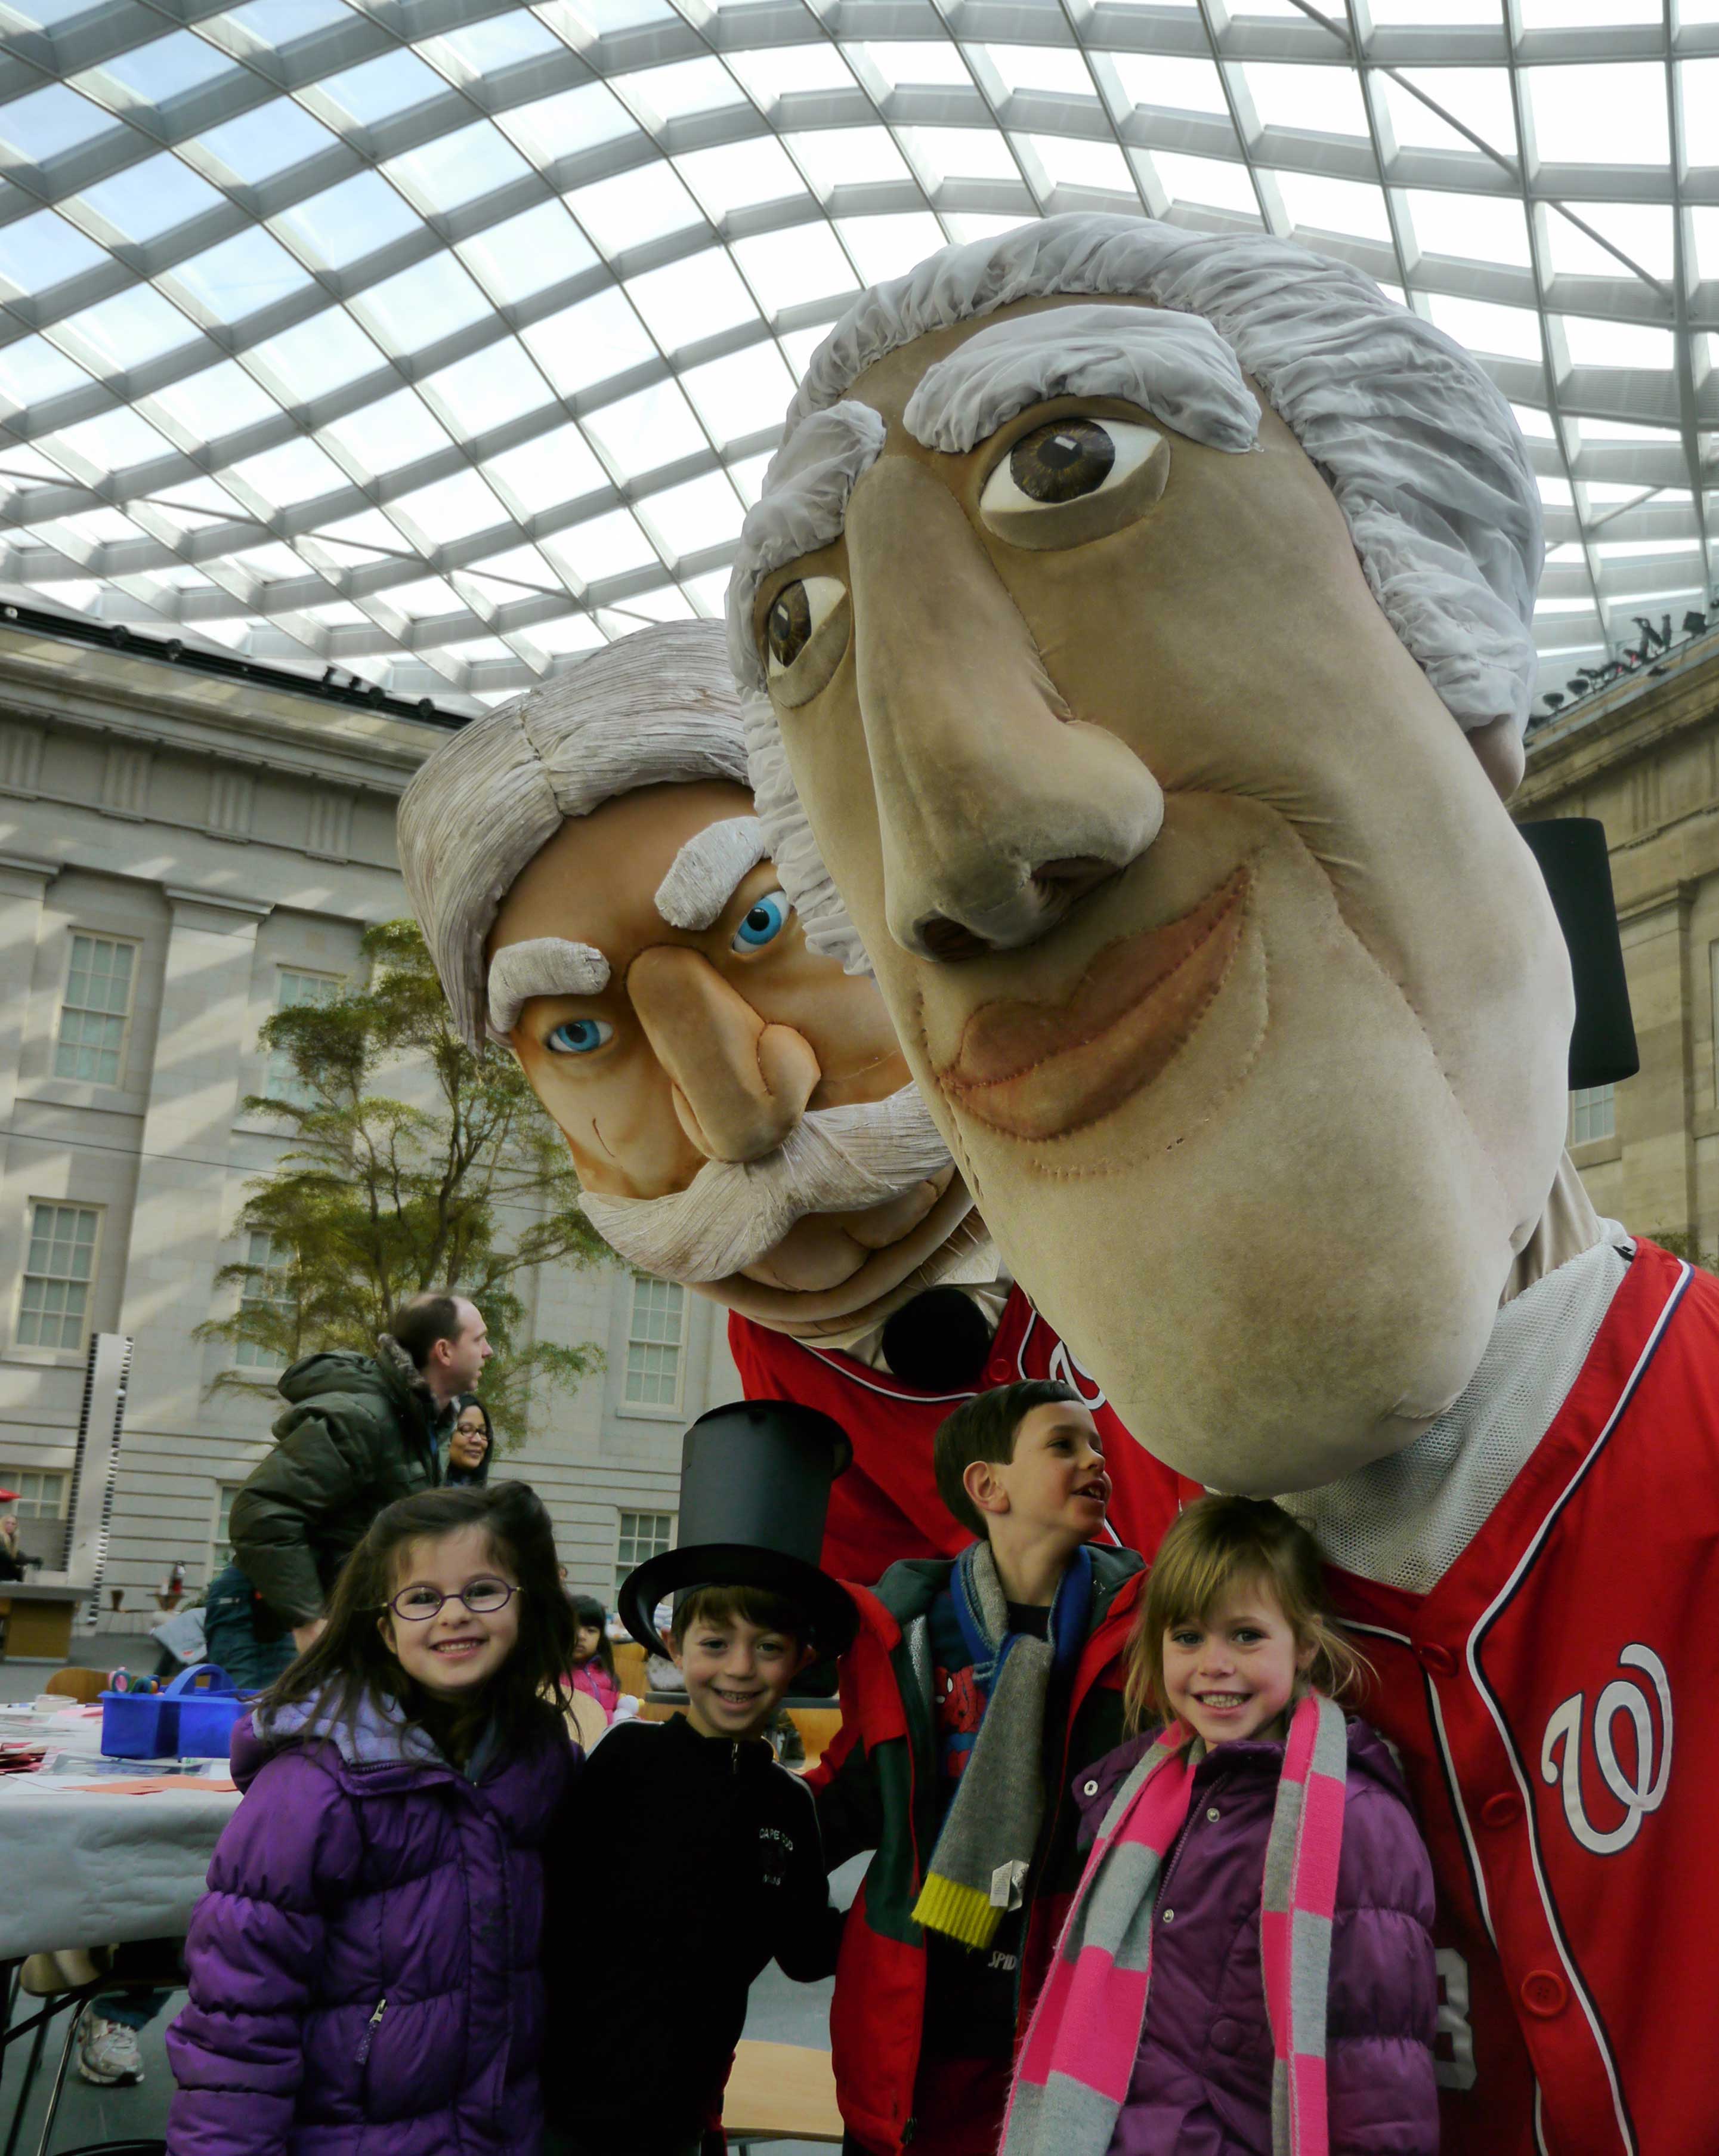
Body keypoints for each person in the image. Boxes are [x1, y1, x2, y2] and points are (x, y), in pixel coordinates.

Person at [729, 211, 1714, 2153]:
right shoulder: (1096, 1583)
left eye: (1076, 464)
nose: (962, 843)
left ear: (1471, 690)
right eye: (805, 631)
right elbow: (957, 1952)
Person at [397, 620, 1191, 1582]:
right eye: (579, 1032)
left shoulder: (1169, 1161)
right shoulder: (787, 1360)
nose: (738, 1110)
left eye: (762, 921)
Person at [1006, 1495, 1437, 2156]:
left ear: (1303, 1643)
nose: (1213, 1663)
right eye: (1187, 1636)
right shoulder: (1138, 1796)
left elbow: (1377, 2066)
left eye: (1245, 1634)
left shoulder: (1355, 1820)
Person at [165, 1481, 578, 2156]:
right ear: (385, 1629)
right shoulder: (315, 1785)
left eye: (482, 1589)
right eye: (421, 1597)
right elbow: (239, 2017)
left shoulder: (541, 1765)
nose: (453, 1614)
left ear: (524, 1605)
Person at [810, 1379, 1143, 2156]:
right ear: (987, 1485)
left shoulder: (1146, 1630)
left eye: (1096, 1444)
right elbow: (854, 1795)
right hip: (921, 2025)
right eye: (1063, 1444)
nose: (1094, 1459)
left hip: (1068, 2029)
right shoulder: (905, 1632)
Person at [540, 1581, 844, 2156]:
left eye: (769, 1647)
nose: (740, 1669)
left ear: (802, 1659)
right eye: (714, 1644)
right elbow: (549, 1909)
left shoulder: (789, 1803)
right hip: (563, 2102)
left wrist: (898, 1907)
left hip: (684, 2112)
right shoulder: (625, 1758)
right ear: (673, 1648)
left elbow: (805, 1951)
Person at [228, 1290, 491, 1650]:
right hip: (278, 1624)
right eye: (479, 1340)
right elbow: (263, 1512)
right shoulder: (362, 1418)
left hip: (334, 1617)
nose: (489, 1352)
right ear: (444, 1352)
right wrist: (308, 1621)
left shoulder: (428, 1423)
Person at [563, 1592, 619, 1722]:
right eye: (574, 1628)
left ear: (600, 1638)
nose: (581, 1636)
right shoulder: (552, 1677)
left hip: (605, 1739)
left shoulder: (606, 1675)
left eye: (591, 1630)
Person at [447, 1395, 493, 1484]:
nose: (478, 1440)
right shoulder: (419, 1493)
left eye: (483, 1432)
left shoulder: (486, 1497)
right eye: (467, 1430)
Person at [0, 1513, 26, 1582]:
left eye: (13, 1524)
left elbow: (16, 1554)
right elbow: (4, 1554)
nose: (10, 1526)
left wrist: (29, 1559)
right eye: (7, 1523)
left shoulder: (12, 1539)